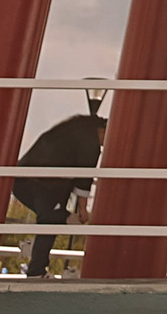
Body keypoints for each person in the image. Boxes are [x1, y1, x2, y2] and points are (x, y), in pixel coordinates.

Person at [11, 100, 106, 280]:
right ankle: (36, 270)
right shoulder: (90, 141)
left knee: (51, 216)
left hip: (25, 179)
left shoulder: (74, 128)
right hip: (46, 184)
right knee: (50, 218)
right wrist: (83, 209)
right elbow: (84, 177)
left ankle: (38, 259)